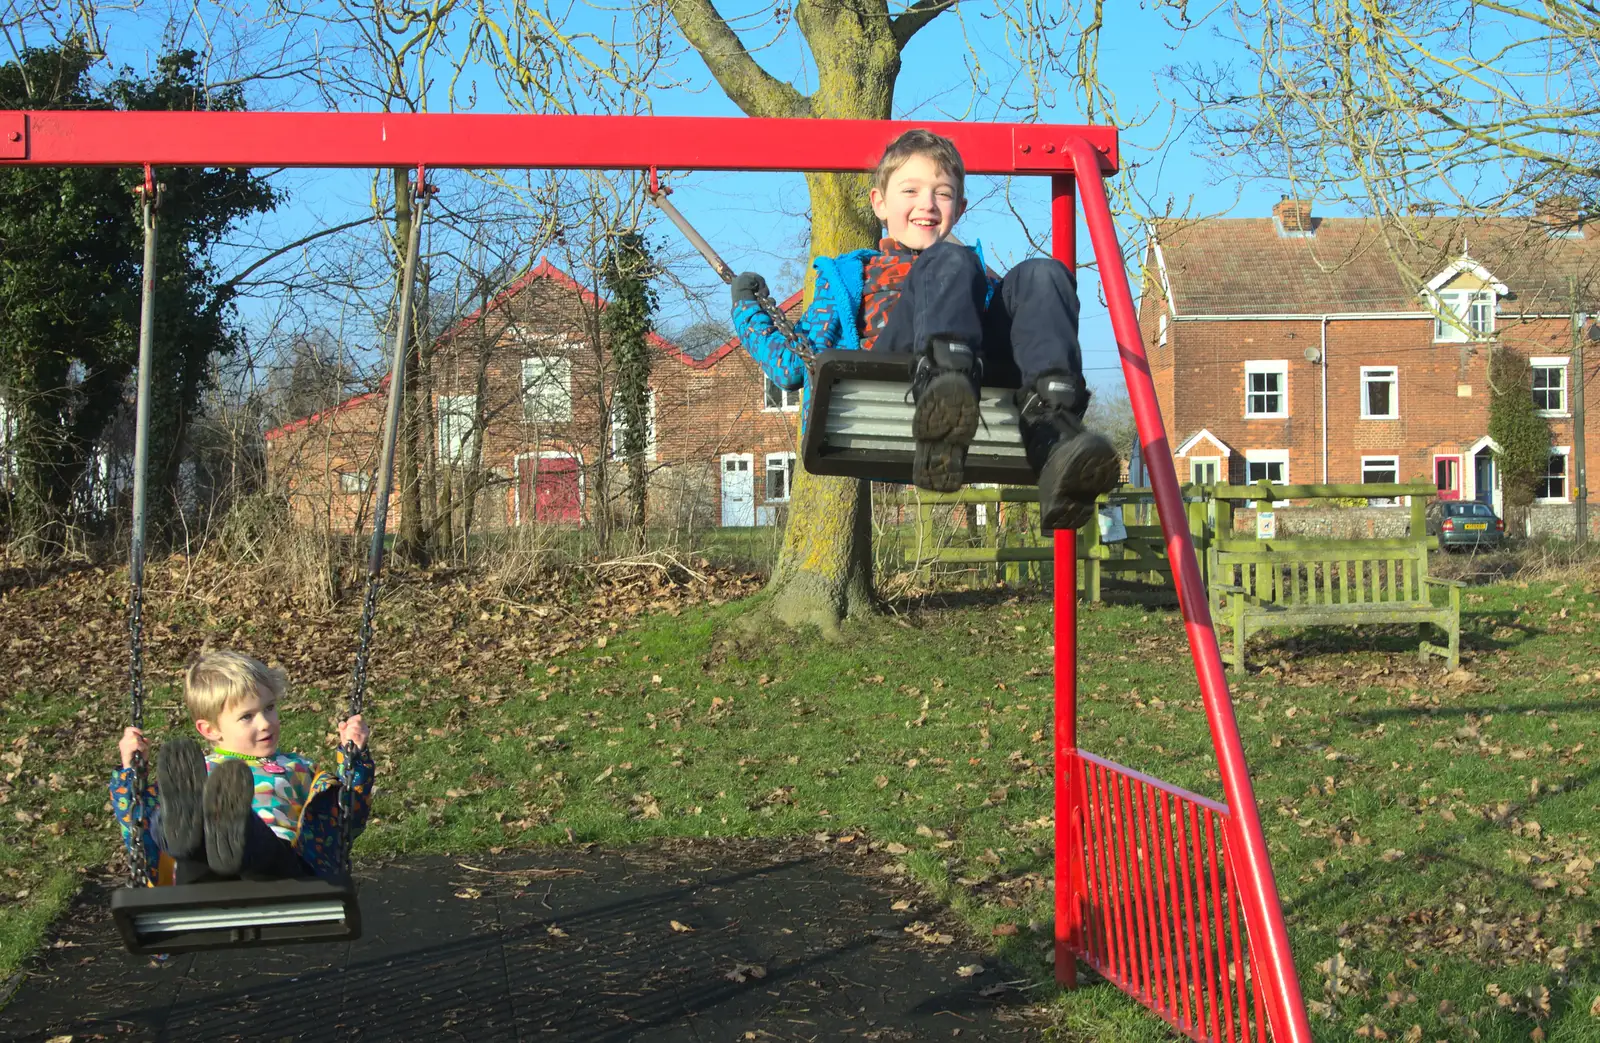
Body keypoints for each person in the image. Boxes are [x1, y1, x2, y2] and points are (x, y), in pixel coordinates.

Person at [730, 128, 1122, 531]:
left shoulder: (976, 278)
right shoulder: (851, 276)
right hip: (891, 382)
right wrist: (749, 310)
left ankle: (1053, 433)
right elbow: (792, 367)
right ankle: (941, 393)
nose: (928, 205)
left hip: (978, 385)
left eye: (943, 194)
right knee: (949, 259)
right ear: (879, 203)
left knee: (1044, 274)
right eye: (911, 191)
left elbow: (1025, 330)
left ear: (961, 206)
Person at [111, 651, 375, 885]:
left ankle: (229, 823)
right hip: (200, 876)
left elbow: (346, 818)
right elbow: (136, 823)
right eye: (247, 716)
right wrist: (130, 770)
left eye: (269, 708)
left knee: (246, 829)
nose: (265, 723)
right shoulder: (194, 773)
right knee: (172, 817)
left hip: (279, 875)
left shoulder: (297, 768)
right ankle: (182, 829)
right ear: (210, 729)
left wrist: (354, 757)